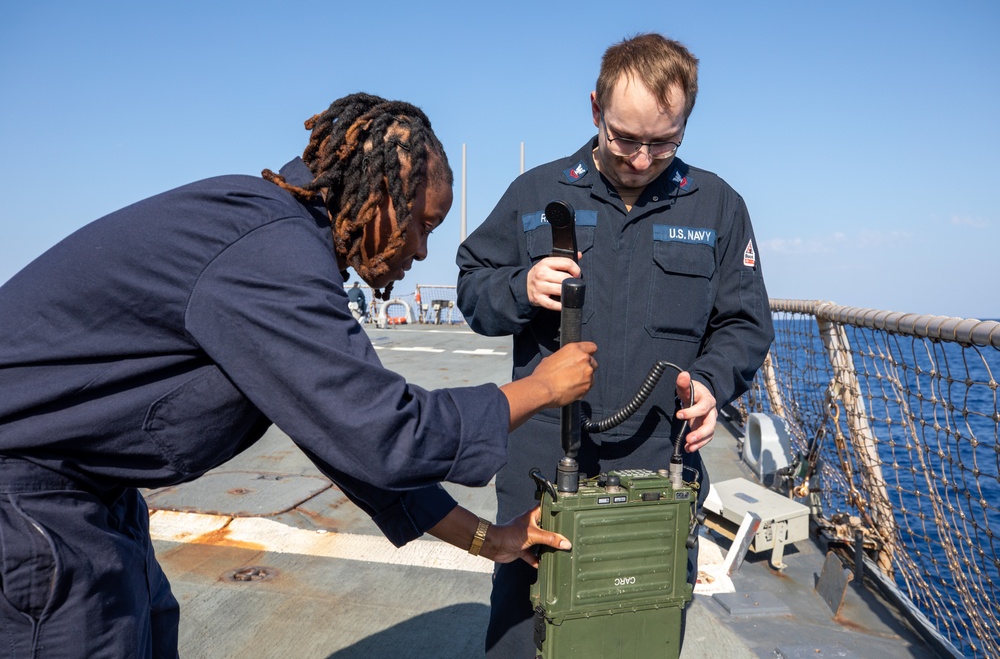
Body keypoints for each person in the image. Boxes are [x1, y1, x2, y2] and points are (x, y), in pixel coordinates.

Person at [0, 93, 598, 658]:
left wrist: (489, 540)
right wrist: (541, 387)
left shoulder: (283, 245)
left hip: (89, 489)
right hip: (31, 491)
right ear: (385, 193)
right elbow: (387, 436)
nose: (419, 251)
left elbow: (347, 439)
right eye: (424, 224)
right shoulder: (270, 250)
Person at [456, 34, 775, 656]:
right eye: (625, 138)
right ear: (595, 107)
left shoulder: (718, 206)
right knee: (525, 633)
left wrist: (711, 382)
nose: (640, 158)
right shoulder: (535, 194)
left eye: (663, 142)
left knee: (639, 634)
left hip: (660, 466)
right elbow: (472, 289)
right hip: (542, 466)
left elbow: (745, 324)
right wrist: (520, 285)